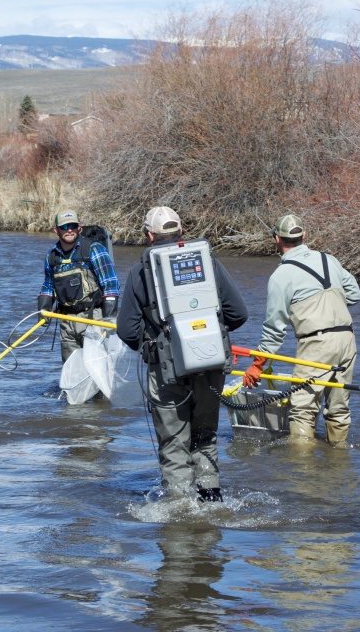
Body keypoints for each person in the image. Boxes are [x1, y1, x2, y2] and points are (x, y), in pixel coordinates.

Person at [117, 206, 248, 501]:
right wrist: (209, 332)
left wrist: (153, 343)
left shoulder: (140, 271)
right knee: (205, 439)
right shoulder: (207, 261)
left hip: (166, 372)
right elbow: (238, 313)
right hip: (211, 366)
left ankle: (180, 512)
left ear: (149, 235)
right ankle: (212, 503)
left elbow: (127, 331)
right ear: (181, 232)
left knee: (175, 444)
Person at [243, 214, 360, 446]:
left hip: (315, 345)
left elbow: (274, 329)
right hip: (347, 340)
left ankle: (304, 477)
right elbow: (355, 295)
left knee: (303, 411)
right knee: (338, 409)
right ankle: (338, 465)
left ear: (277, 238)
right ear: (304, 235)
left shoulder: (281, 276)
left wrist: (257, 365)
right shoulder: (329, 259)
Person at [37, 209, 119, 364]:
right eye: (64, 227)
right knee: (72, 370)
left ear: (79, 228)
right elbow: (48, 286)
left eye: (72, 226)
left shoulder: (94, 250)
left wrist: (108, 320)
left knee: (97, 367)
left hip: (93, 318)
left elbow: (111, 284)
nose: (69, 230)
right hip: (65, 320)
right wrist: (44, 308)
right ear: (56, 230)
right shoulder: (52, 257)